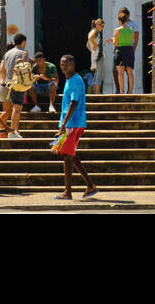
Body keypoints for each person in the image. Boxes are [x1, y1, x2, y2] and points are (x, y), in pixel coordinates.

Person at [53, 54, 97, 199]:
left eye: (66, 64)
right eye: (61, 64)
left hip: (74, 123)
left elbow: (73, 102)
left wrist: (64, 123)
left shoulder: (76, 81)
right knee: (69, 154)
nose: (63, 66)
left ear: (73, 64)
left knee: (67, 157)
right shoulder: (68, 80)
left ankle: (68, 192)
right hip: (72, 123)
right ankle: (90, 185)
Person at [0, 33, 34, 139]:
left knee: (8, 110)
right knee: (17, 108)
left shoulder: (8, 53)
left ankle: (4, 131)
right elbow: (26, 69)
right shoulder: (24, 53)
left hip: (8, 83)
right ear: (23, 42)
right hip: (18, 83)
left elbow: (2, 69)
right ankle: (13, 131)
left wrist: (5, 80)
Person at [112, 8, 139, 95]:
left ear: (119, 20)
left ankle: (122, 91)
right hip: (129, 50)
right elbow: (132, 41)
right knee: (130, 72)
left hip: (120, 50)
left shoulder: (117, 30)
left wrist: (112, 40)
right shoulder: (131, 30)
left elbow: (115, 42)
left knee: (120, 73)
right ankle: (130, 91)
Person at [86, 18, 107, 94]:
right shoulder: (95, 32)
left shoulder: (92, 31)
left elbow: (87, 45)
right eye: (101, 26)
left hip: (94, 55)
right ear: (97, 25)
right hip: (98, 55)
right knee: (99, 73)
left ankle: (95, 91)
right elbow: (90, 38)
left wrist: (93, 51)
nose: (102, 28)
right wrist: (95, 46)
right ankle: (97, 92)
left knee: (96, 73)